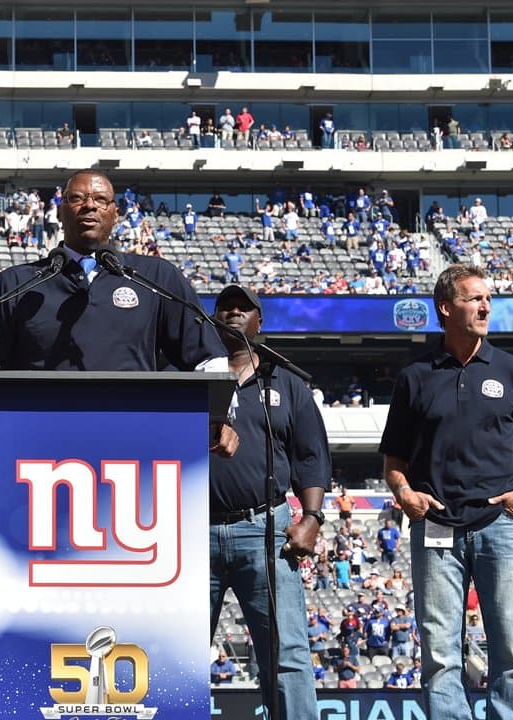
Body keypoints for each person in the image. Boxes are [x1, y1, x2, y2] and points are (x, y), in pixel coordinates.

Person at [0, 169, 236, 720]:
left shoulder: (156, 279)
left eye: (101, 200)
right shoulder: (19, 285)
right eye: (78, 199)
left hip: (134, 501)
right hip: (30, 497)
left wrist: (223, 414)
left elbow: (211, 360)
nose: (89, 208)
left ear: (117, 212)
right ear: (60, 210)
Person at [380, 263, 513, 720]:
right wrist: (404, 494)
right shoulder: (415, 376)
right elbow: (393, 461)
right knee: (439, 654)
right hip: (436, 525)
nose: (484, 306)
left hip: (500, 525)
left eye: (488, 298)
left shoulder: (512, 370)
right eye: (474, 298)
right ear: (445, 307)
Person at [208, 284, 327, 718]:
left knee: (287, 653)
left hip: (264, 527)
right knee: (178, 649)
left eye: (244, 308)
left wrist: (311, 517)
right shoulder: (190, 374)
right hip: (193, 528)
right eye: (225, 308)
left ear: (261, 321)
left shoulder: (287, 382)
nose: (234, 315)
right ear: (211, 319)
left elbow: (310, 456)